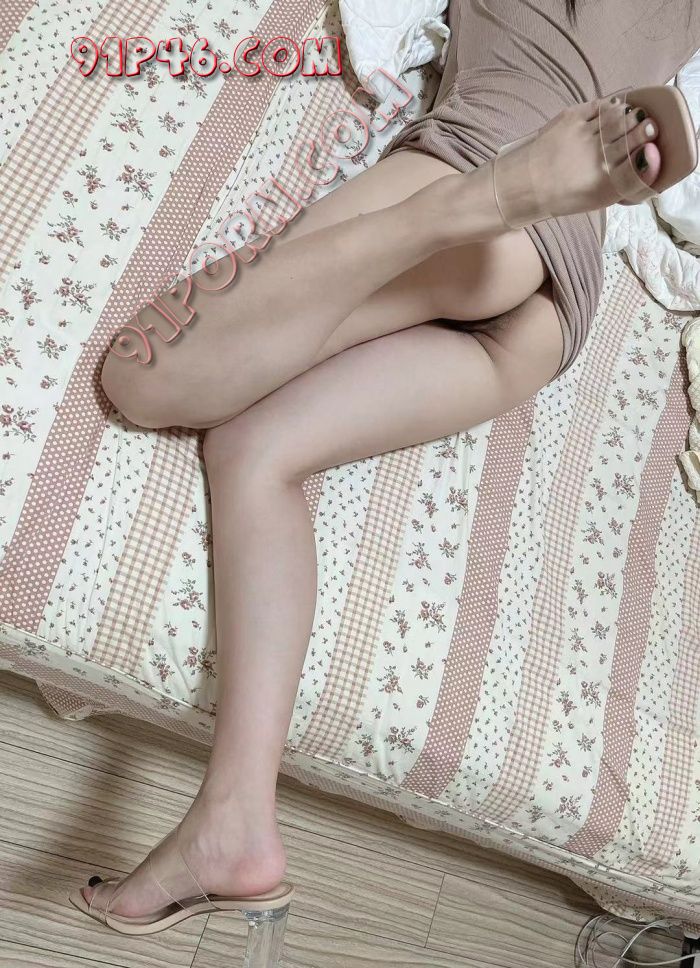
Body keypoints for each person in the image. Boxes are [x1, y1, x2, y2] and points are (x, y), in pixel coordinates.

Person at [71, 0, 700, 933]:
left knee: (146, 374)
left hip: (488, 174)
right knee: (252, 451)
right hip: (557, 306)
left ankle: (474, 202)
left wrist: (495, 192)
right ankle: (233, 824)